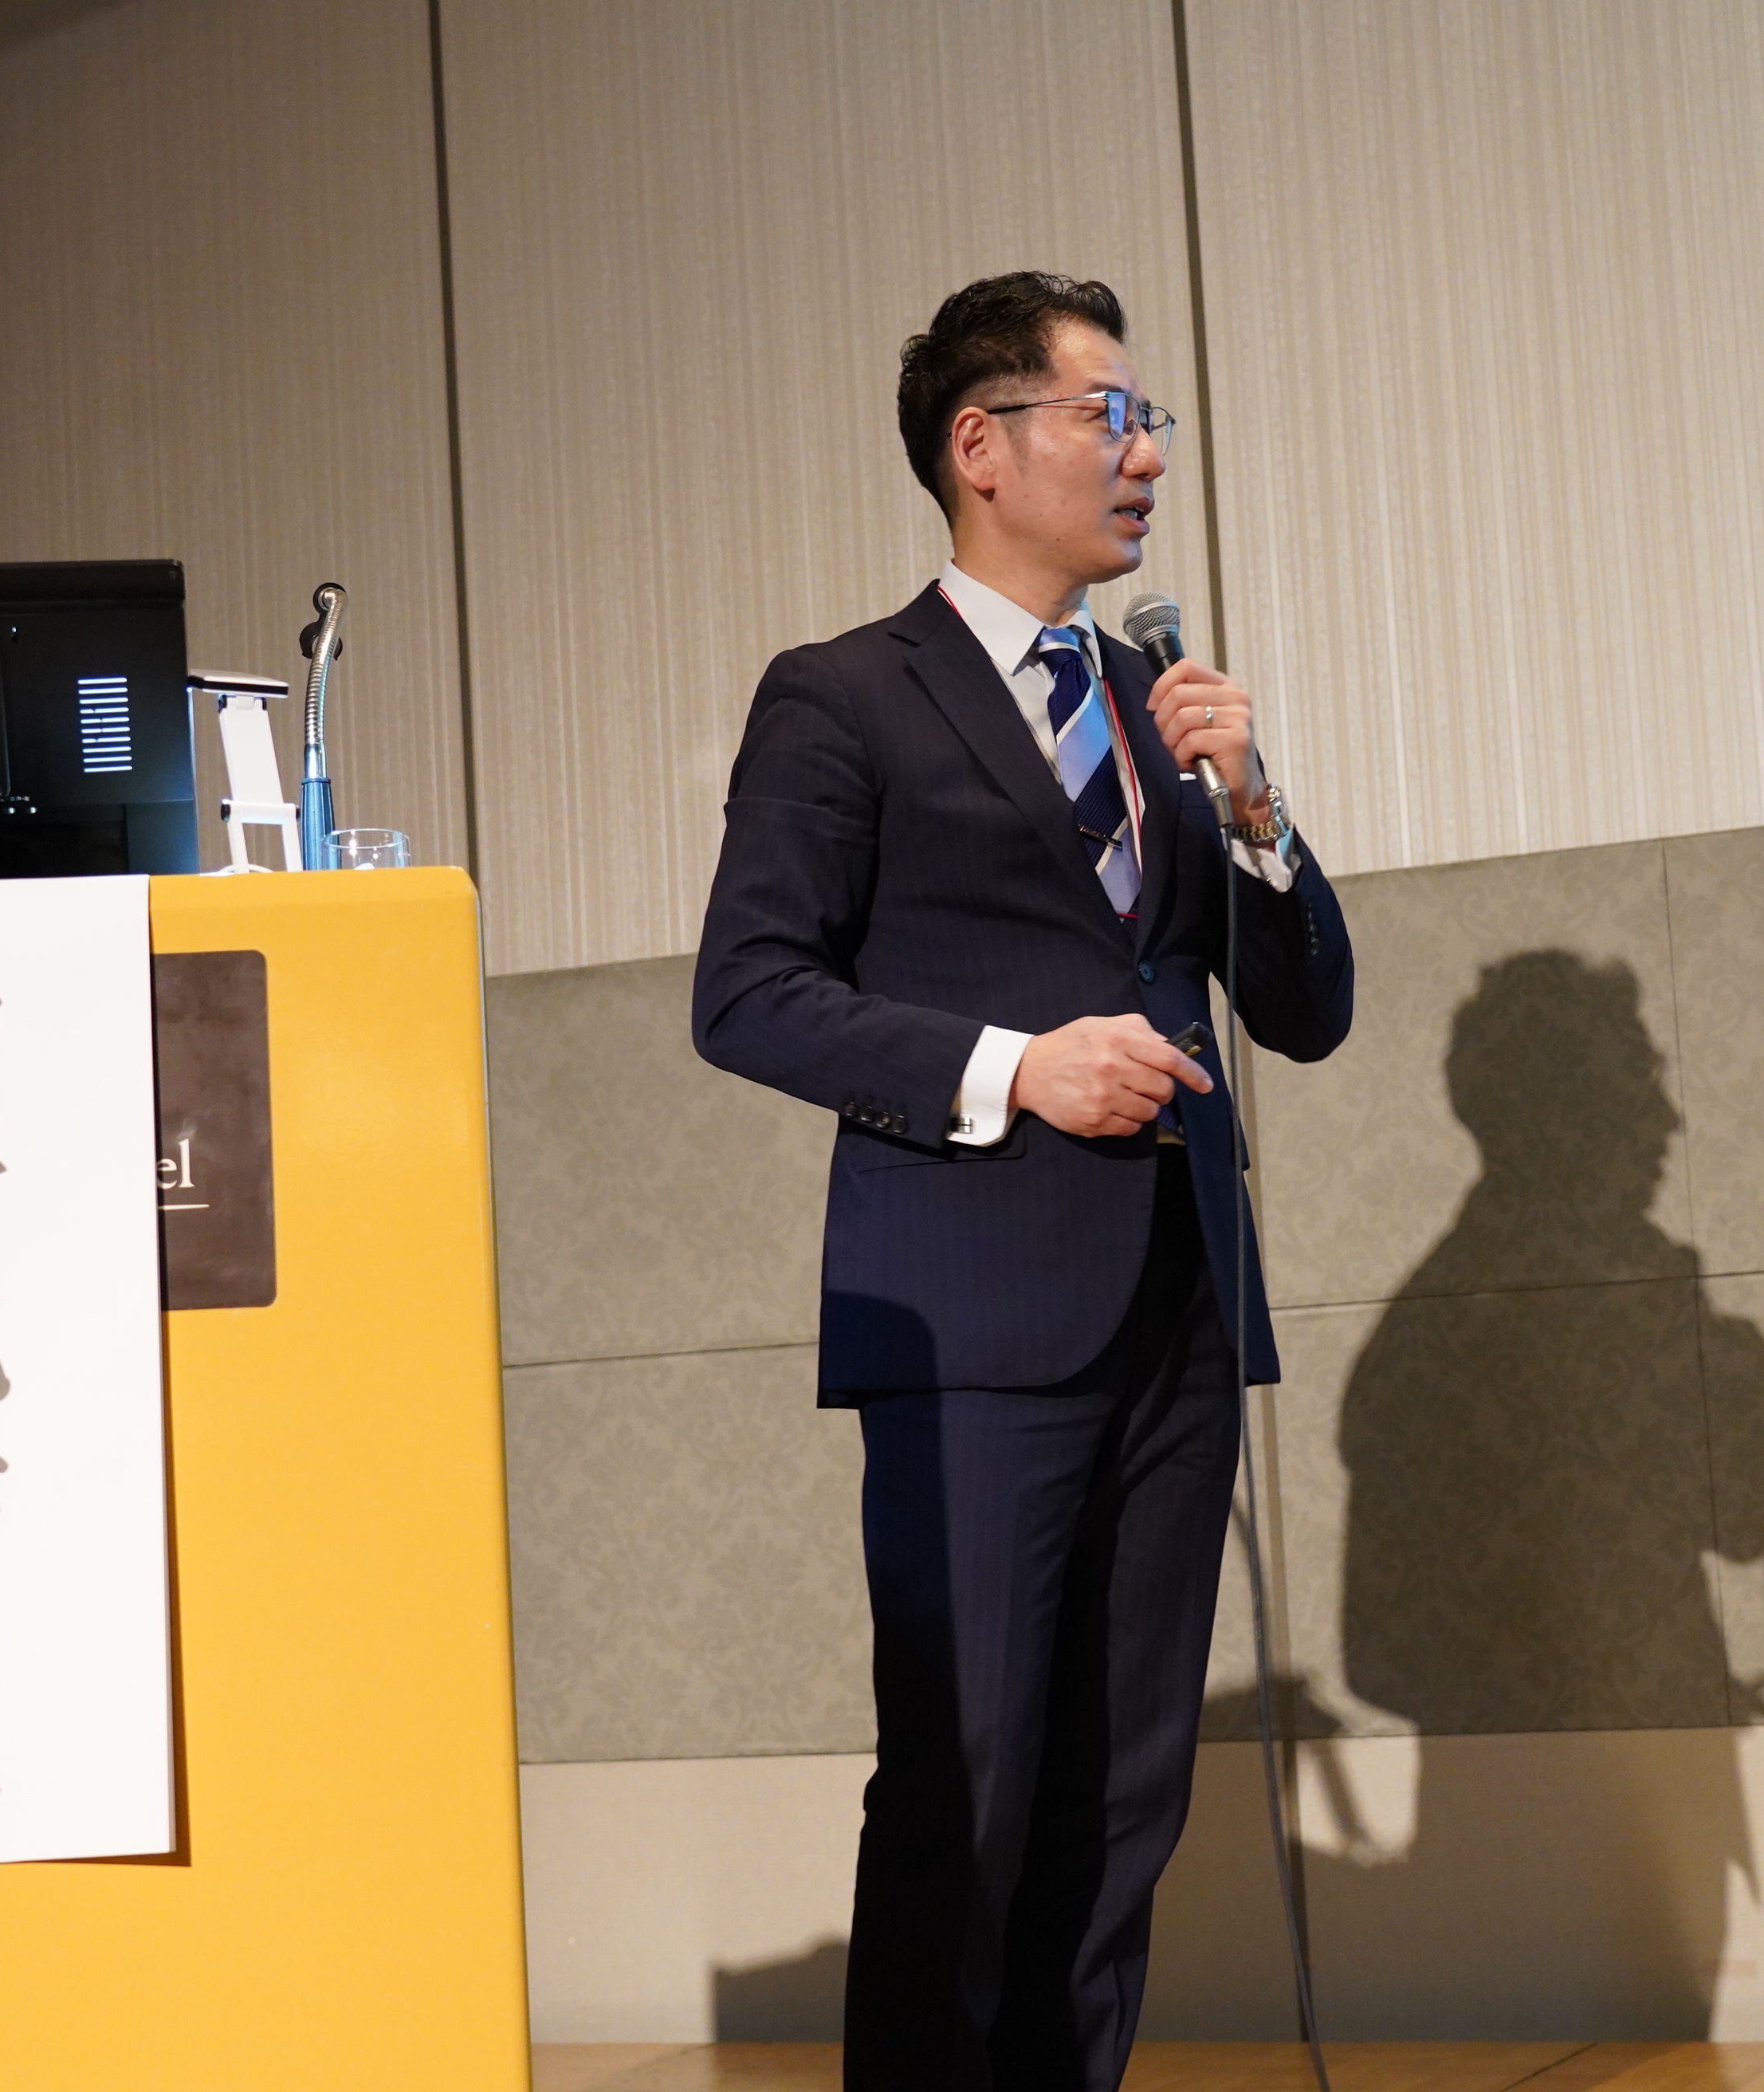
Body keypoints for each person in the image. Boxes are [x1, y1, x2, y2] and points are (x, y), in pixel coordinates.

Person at [692, 270, 1354, 2090]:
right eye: (1108, 417)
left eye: (1150, 421)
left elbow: (1306, 1014)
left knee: (1123, 1799)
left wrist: (1259, 813)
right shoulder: (844, 697)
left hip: (1177, 1312)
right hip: (973, 1321)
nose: (1146, 456)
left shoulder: (1159, 708)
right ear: (980, 447)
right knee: (967, 1780)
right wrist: (1014, 1067)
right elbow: (747, 994)